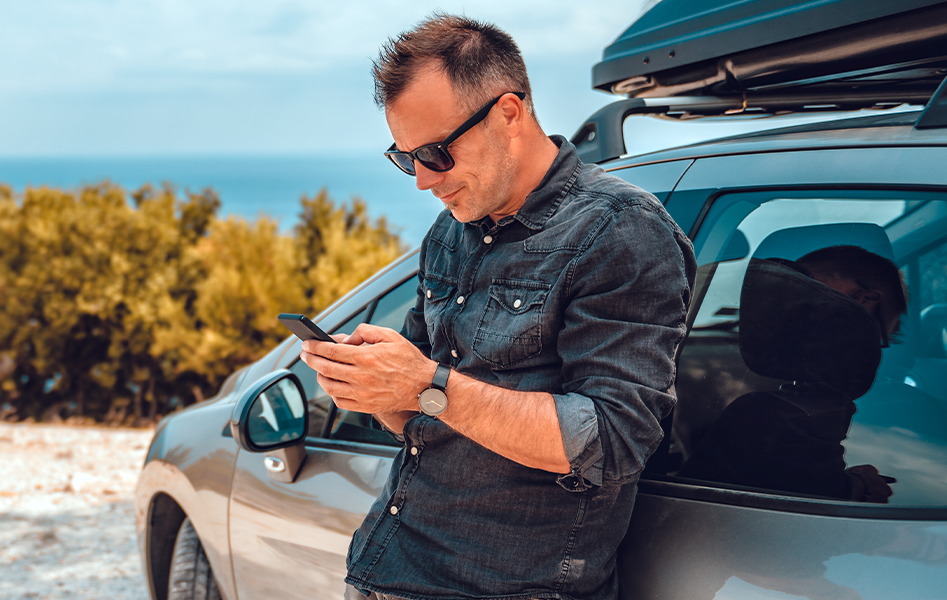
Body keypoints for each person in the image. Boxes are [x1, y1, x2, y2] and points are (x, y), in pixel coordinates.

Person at [298, 14, 696, 600]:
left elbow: (614, 438)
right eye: (405, 158)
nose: (422, 180)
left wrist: (425, 386)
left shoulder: (621, 232)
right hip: (391, 565)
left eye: (435, 153)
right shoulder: (450, 231)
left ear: (508, 114)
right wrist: (371, 389)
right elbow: (424, 419)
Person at [678, 246, 907, 503]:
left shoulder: (698, 290)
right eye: (879, 336)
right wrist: (856, 488)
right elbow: (796, 480)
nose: (871, 347)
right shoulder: (784, 409)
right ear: (863, 302)